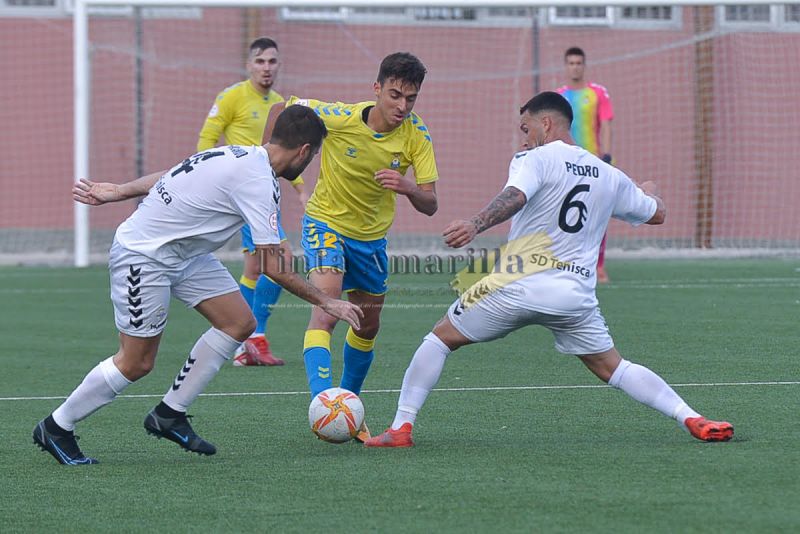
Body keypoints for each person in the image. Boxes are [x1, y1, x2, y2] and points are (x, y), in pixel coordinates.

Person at [364, 92, 733, 448]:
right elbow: (657, 213)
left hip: (513, 285)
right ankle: (692, 418)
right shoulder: (610, 175)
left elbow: (516, 197)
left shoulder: (533, 159)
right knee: (614, 367)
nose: (524, 139)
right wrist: (649, 191)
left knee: (439, 339)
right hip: (573, 298)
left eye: (525, 129)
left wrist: (475, 224)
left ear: (545, 123)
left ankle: (400, 428)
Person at [33, 105, 363, 465]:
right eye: (313, 156)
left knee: (239, 322)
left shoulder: (239, 153)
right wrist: (328, 302)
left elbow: (172, 173)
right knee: (136, 362)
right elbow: (273, 266)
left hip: (186, 255)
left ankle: (169, 414)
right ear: (304, 151)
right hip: (144, 255)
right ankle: (57, 426)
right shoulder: (258, 181)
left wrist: (121, 191)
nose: (309, 164)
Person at [263, 52, 439, 441]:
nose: (402, 106)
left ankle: (348, 405)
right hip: (325, 223)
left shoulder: (417, 135)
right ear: (377, 89)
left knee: (367, 322)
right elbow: (281, 107)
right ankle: (324, 404)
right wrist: (266, 170)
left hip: (371, 239)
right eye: (394, 95)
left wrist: (408, 187)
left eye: (410, 98)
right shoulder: (339, 117)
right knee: (328, 307)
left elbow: (431, 204)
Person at [198, 37, 307, 366]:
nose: (266, 67)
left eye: (272, 61)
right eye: (260, 61)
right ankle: (252, 336)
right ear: (249, 65)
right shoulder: (231, 97)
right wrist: (206, 175)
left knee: (256, 266)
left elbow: (283, 154)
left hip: (265, 194)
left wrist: (300, 188)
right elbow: (207, 138)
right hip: (242, 194)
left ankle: (241, 341)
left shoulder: (279, 105)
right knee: (282, 258)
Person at [557, 47, 613, 283]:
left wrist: (607, 155)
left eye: (578, 63)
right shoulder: (559, 96)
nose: (575, 67)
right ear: (565, 66)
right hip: (567, 164)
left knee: (597, 214)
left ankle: (599, 266)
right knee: (564, 214)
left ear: (584, 65)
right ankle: (568, 264)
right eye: (570, 63)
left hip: (593, 163)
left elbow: (606, 124)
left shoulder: (597, 92)